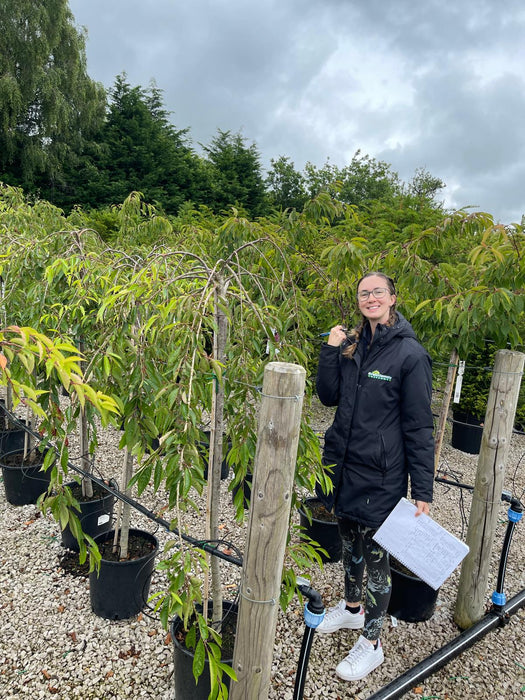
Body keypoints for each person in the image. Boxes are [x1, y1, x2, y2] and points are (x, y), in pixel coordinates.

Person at [315, 271, 434, 682]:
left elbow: (419, 426)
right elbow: (327, 395)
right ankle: (351, 611)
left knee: (378, 559)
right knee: (349, 544)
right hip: (342, 466)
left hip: (381, 476)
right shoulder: (351, 345)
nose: (370, 298)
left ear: (393, 298)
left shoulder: (410, 355)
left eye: (377, 292)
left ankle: (372, 643)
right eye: (364, 293)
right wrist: (330, 350)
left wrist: (423, 488)